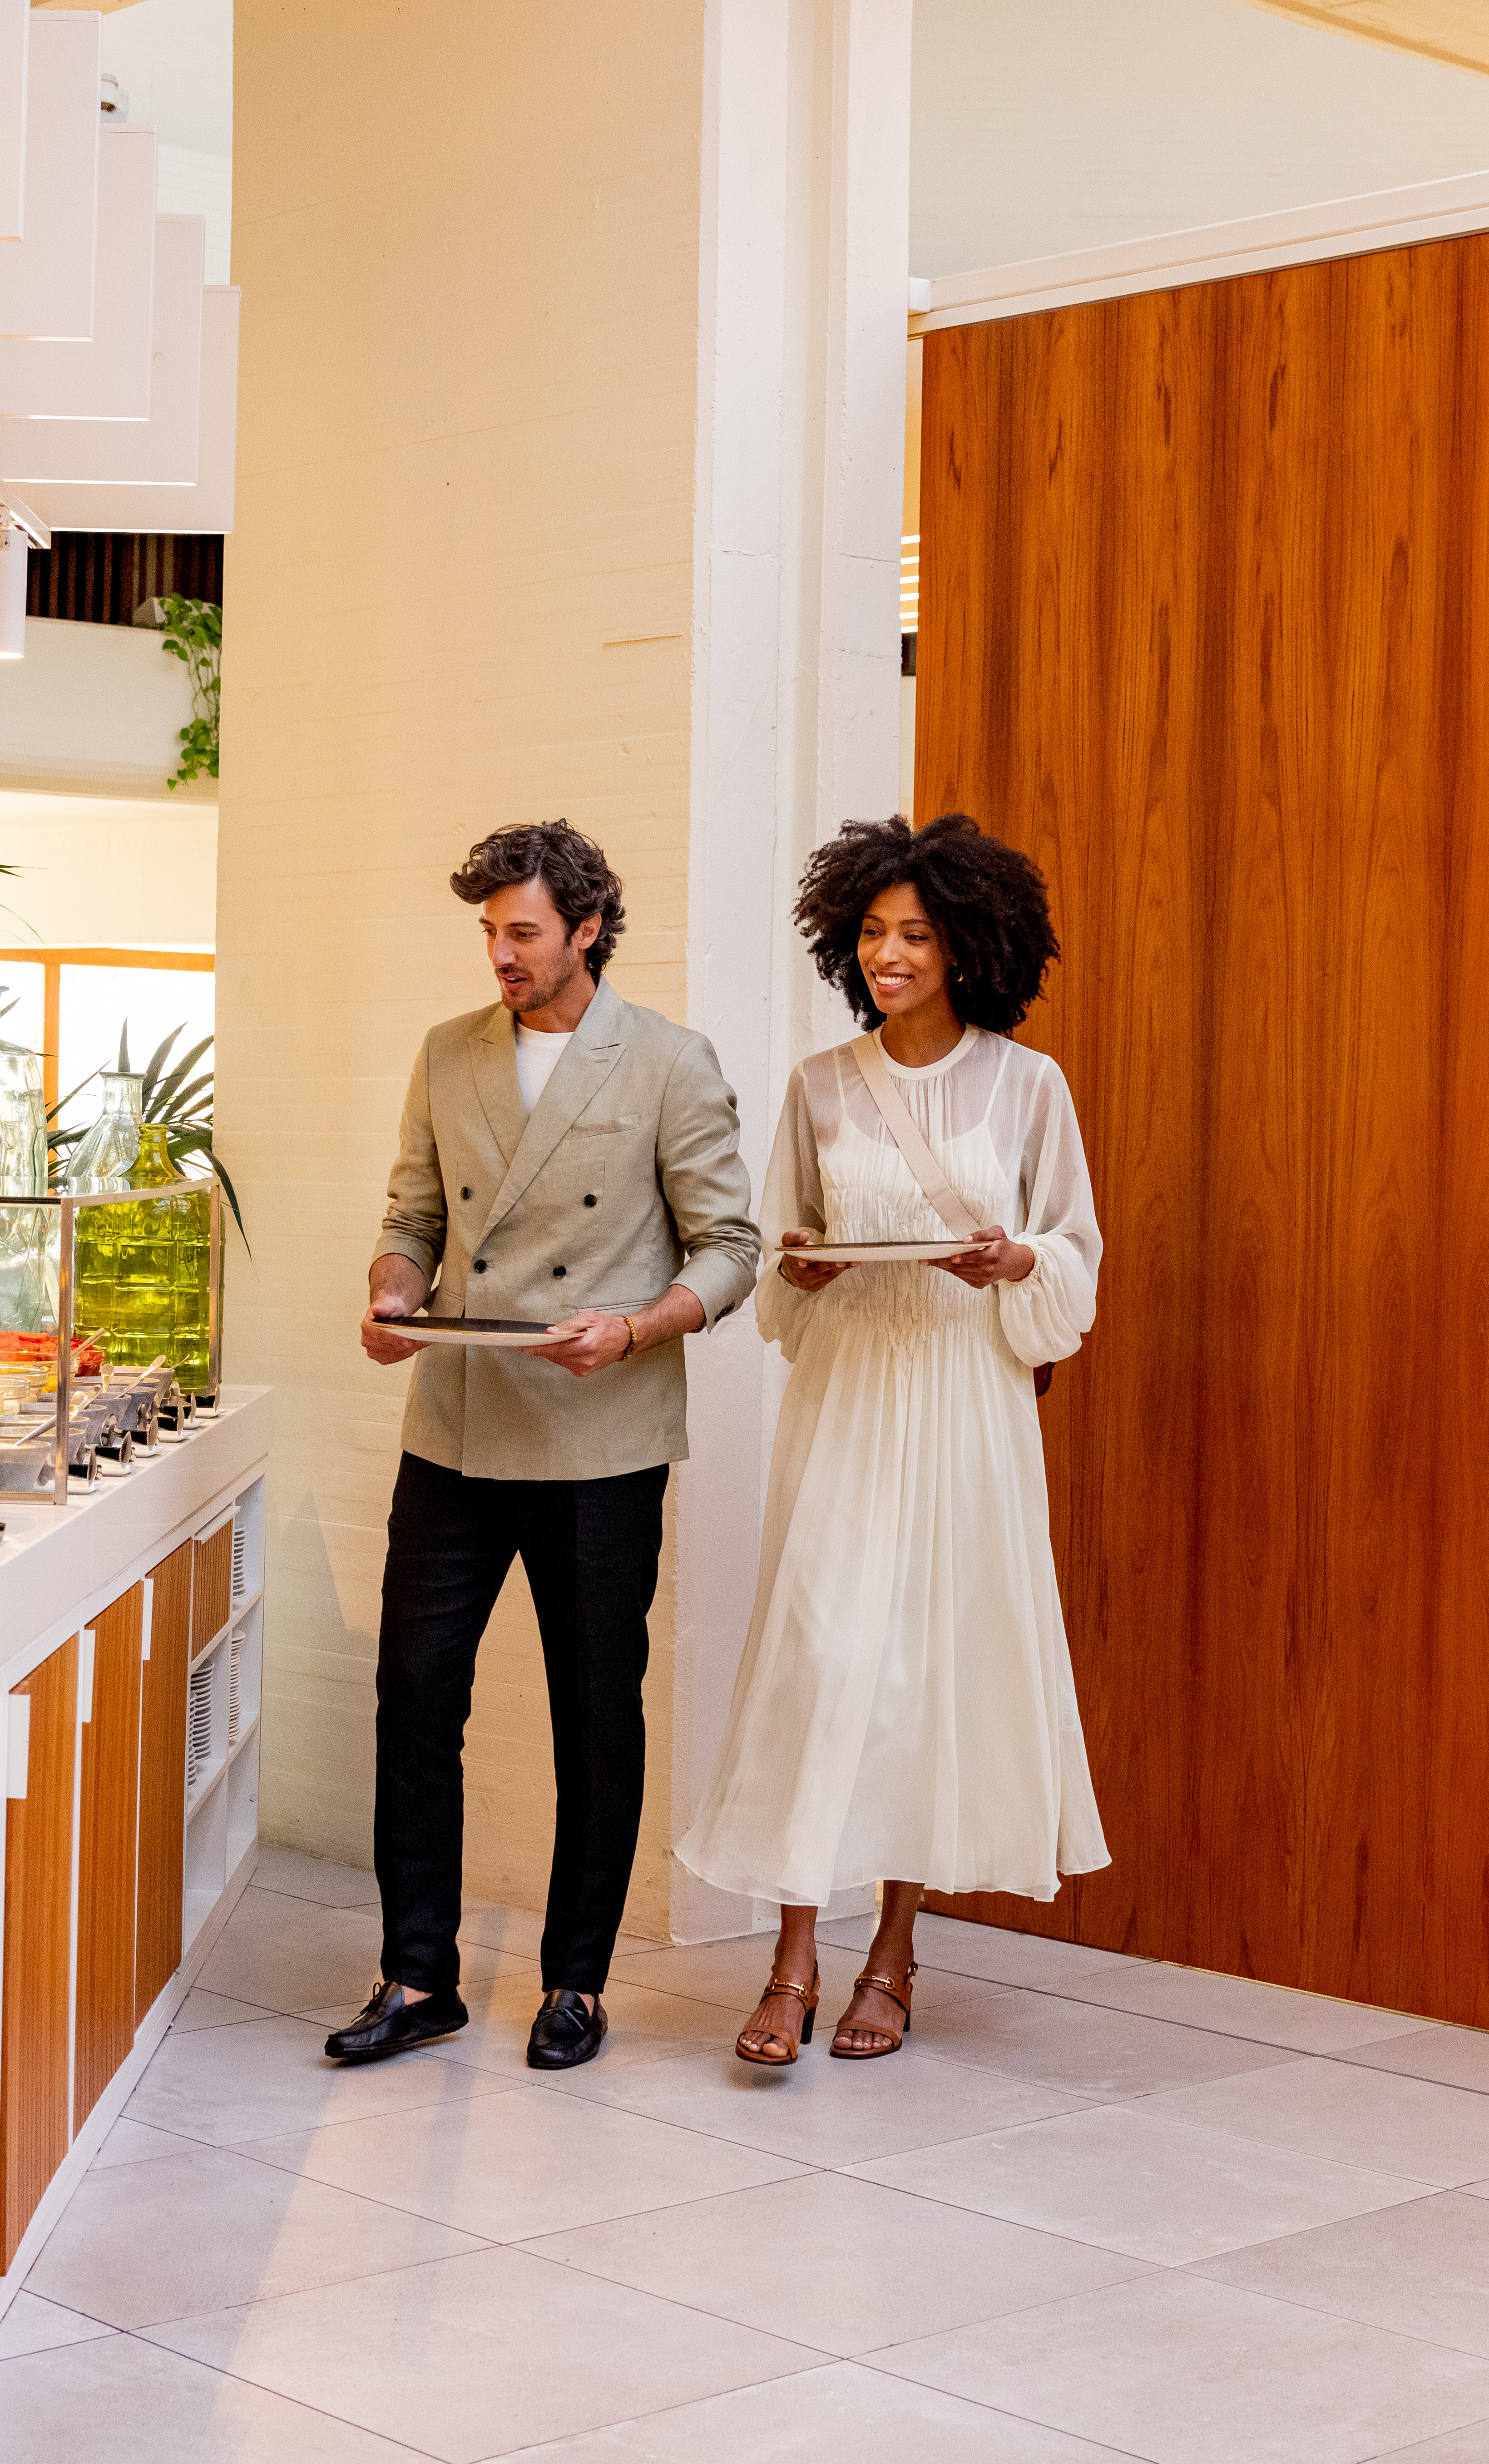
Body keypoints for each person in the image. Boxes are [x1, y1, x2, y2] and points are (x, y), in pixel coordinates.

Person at [328, 820, 762, 2073]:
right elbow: (411, 1217)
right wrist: (395, 1295)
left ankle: (576, 1982)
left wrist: (633, 1329)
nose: (502, 955)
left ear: (587, 930)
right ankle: (419, 1977)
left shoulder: (669, 1061)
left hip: (601, 1438)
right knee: (416, 1698)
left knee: (594, 1716)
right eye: (490, 933)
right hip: (457, 1424)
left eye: (523, 932)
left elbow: (732, 1251)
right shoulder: (447, 1051)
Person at [675, 812, 1108, 2065]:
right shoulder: (819, 1086)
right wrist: (801, 1273)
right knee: (818, 1660)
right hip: (849, 1401)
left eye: (914, 934)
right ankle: (791, 1960)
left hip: (969, 1405)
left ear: (965, 945)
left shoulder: (1029, 1086)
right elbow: (779, 1259)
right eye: (871, 933)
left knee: (927, 1669)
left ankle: (892, 1957)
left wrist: (1015, 1261)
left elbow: (1074, 1255)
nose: (888, 955)